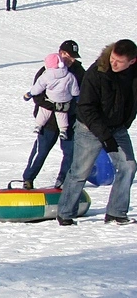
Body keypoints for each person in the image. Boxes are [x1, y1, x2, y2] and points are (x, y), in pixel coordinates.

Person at [56, 39, 137, 225]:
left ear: (132, 62)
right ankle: (65, 213)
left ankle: (116, 212)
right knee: (80, 171)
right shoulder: (97, 72)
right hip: (89, 127)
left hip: (117, 128)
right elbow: (85, 107)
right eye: (113, 58)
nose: (113, 63)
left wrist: (125, 122)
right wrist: (105, 136)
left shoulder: (134, 74)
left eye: (119, 61)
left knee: (129, 166)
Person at [22, 41, 84, 189]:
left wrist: (71, 108)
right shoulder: (46, 71)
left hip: (69, 120)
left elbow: (81, 95)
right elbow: (37, 95)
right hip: (48, 120)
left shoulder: (79, 72)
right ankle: (28, 179)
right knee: (41, 151)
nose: (71, 60)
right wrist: (56, 107)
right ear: (60, 53)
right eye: (68, 56)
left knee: (70, 152)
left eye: (73, 57)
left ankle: (62, 181)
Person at [25, 54, 81, 139]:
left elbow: (38, 87)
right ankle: (63, 130)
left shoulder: (46, 75)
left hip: (51, 99)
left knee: (43, 111)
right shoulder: (69, 75)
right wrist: (77, 97)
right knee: (62, 115)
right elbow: (74, 90)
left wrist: (30, 94)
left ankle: (38, 125)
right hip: (64, 101)